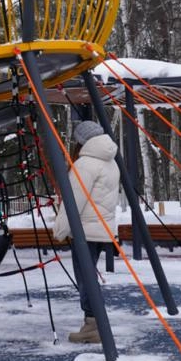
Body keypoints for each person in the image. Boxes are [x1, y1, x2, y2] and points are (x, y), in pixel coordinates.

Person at [53, 119, 120, 344]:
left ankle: (94, 324)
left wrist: (60, 230)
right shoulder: (110, 161)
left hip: (85, 231)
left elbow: (73, 201)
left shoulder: (85, 165)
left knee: (85, 279)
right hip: (102, 229)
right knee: (88, 276)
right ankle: (93, 322)